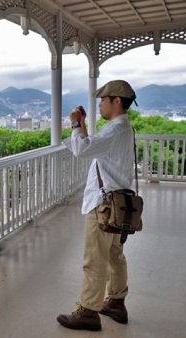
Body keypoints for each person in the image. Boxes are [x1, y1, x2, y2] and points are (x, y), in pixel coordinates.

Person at [57, 80, 137, 331]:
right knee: (115, 256)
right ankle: (116, 302)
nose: (99, 104)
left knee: (94, 259)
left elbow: (82, 149)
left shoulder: (114, 131)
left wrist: (73, 124)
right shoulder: (124, 129)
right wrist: (82, 125)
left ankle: (89, 311)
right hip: (120, 204)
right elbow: (95, 147)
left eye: (103, 100)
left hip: (103, 206)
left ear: (116, 101)